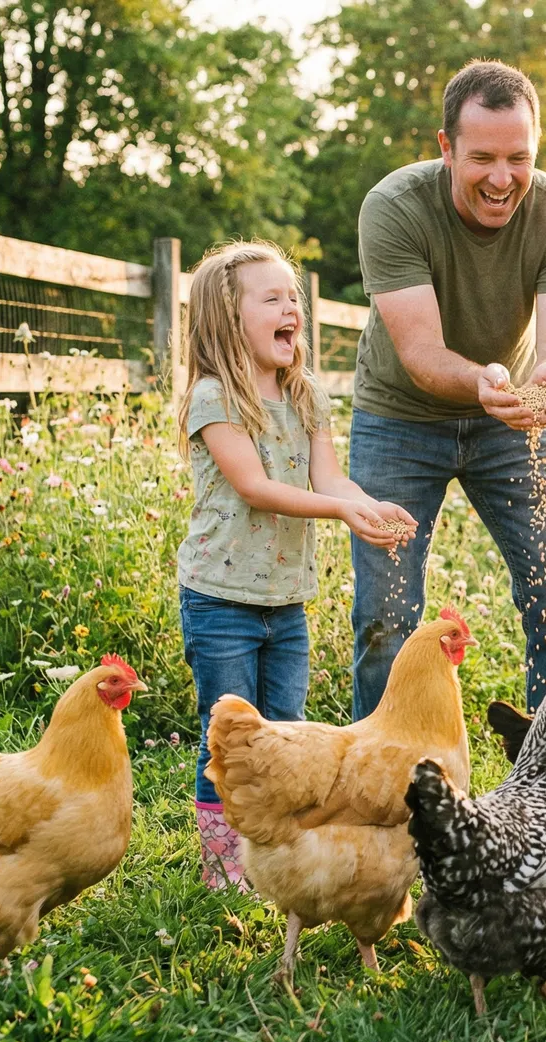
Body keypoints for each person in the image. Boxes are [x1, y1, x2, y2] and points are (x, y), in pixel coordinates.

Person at [347, 60, 546, 723]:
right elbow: (425, 355)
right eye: (482, 157)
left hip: (512, 420)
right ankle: (385, 789)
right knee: (386, 619)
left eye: (519, 158)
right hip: (399, 417)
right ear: (445, 148)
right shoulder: (395, 208)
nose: (502, 177)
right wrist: (483, 379)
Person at [175, 240, 415, 888]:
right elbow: (253, 486)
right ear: (229, 318)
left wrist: (369, 506)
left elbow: (329, 476)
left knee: (282, 733)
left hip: (286, 600)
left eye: (294, 298)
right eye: (273, 298)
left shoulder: (304, 394)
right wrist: (340, 514)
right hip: (219, 598)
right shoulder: (213, 397)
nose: (293, 309)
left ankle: (273, 855)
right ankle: (225, 867)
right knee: (228, 735)